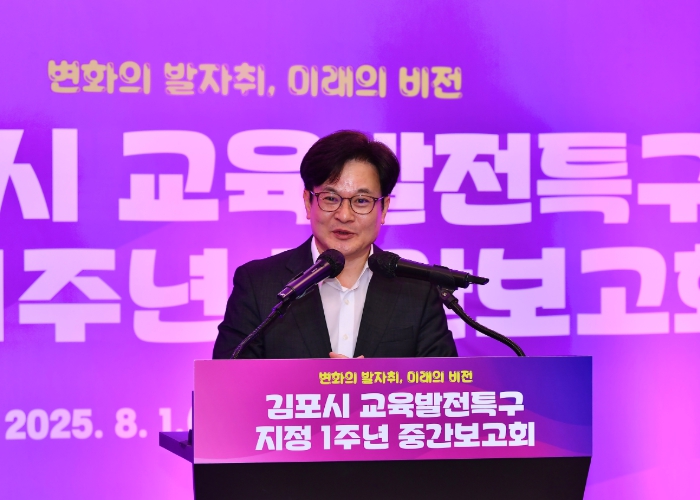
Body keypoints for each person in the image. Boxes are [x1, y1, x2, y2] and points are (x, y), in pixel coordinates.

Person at [213, 130, 457, 359]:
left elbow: (445, 385)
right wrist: (322, 384)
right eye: (331, 198)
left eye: (361, 201)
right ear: (308, 202)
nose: (344, 215)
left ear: (384, 209)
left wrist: (372, 384)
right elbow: (226, 382)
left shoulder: (417, 290)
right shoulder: (258, 284)